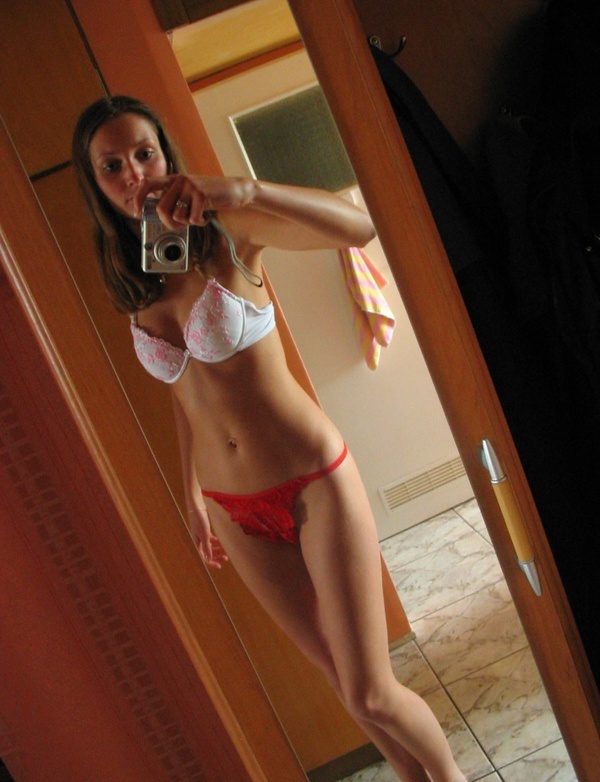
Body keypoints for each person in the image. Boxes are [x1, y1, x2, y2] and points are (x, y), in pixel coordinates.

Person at [72, 95, 467, 782]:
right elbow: (186, 393)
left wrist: (245, 190)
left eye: (144, 153)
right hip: (235, 509)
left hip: (313, 480)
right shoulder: (134, 278)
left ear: (165, 154)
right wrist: (191, 495)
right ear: (96, 184)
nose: (133, 173)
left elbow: (360, 227)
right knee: (343, 686)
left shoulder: (229, 234)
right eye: (112, 166)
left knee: (371, 690)